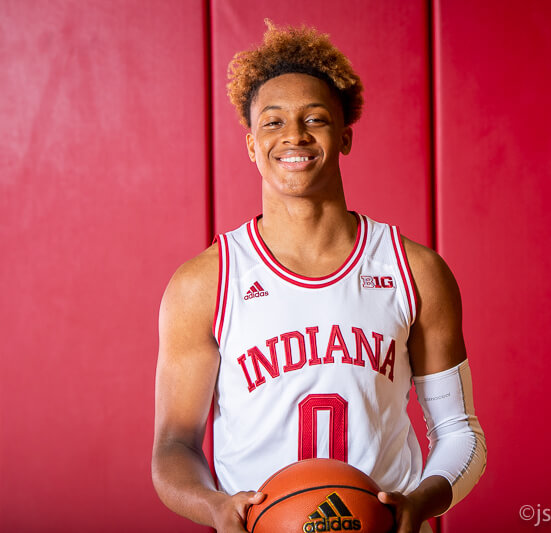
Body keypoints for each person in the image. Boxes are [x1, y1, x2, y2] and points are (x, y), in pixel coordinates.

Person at [151, 21, 486, 533]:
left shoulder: (414, 271)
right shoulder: (206, 283)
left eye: (315, 119)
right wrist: (214, 506)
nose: (294, 136)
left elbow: (460, 433)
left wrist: (421, 500)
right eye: (273, 122)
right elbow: (173, 447)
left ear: (345, 135)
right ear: (250, 145)